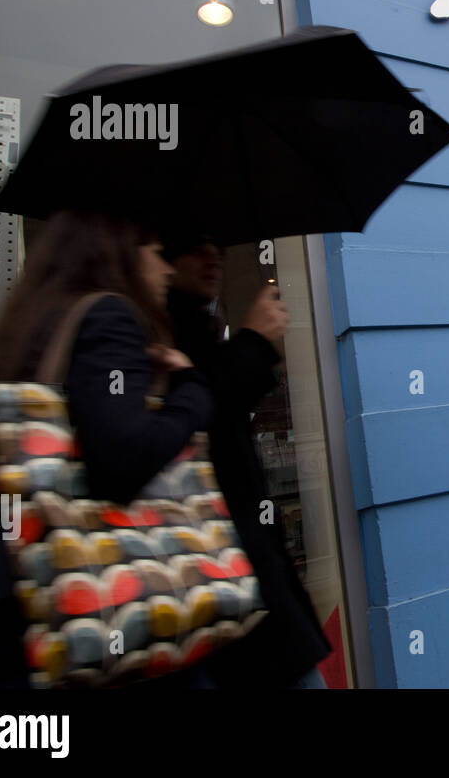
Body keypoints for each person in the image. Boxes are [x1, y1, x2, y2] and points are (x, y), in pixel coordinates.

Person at [0, 210, 213, 687]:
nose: (166, 269)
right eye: (157, 253)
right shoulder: (110, 314)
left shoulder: (36, 321)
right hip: (72, 614)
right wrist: (190, 390)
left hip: (3, 606)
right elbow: (123, 460)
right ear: (121, 253)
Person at [161, 232, 332, 688]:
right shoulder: (151, 327)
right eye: (195, 242)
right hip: (214, 580)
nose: (212, 253)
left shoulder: (194, 325)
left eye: (215, 242)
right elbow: (194, 423)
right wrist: (253, 342)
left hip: (231, 581)